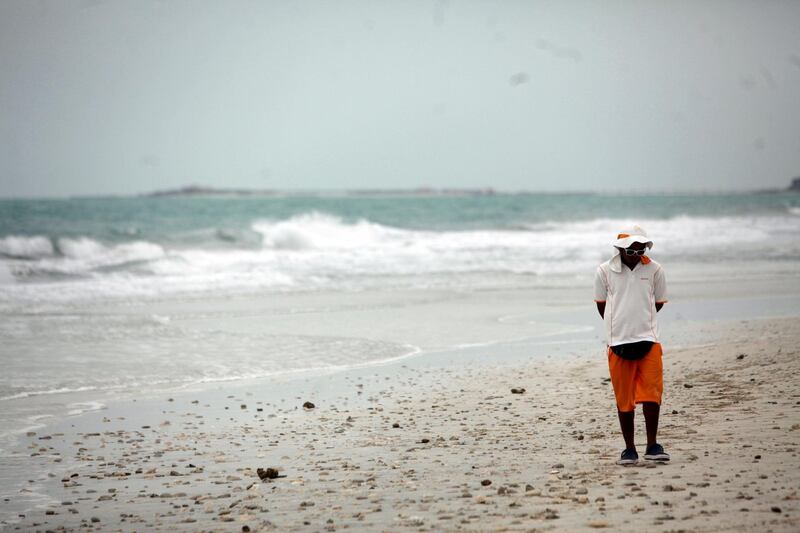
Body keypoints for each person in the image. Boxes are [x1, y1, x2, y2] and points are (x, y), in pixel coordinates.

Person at [594, 226, 670, 465]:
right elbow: (601, 305)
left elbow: (657, 303)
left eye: (640, 249)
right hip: (618, 343)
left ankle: (652, 445)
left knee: (652, 395)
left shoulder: (655, 269)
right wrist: (619, 324)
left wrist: (640, 320)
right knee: (624, 398)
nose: (636, 253)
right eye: (631, 249)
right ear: (620, 249)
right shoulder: (604, 271)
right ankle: (629, 449)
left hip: (649, 339)